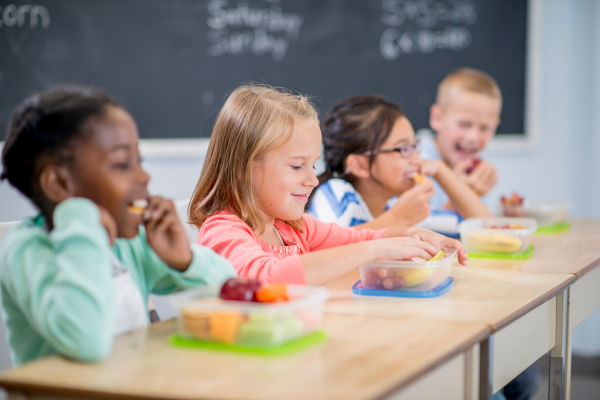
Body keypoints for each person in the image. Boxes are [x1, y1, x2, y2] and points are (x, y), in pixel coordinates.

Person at [0, 85, 236, 366]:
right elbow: (85, 340)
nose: (145, 176)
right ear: (59, 184)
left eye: (140, 161)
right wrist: (78, 219)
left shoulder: (129, 244)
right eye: (123, 164)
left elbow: (229, 290)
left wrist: (185, 261)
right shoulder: (27, 250)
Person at [190, 84, 467, 285]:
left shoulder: (293, 227)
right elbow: (268, 278)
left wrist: (412, 234)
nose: (312, 180)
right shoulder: (223, 230)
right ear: (242, 169)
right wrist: (375, 250)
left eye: (313, 165)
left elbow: (359, 238)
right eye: (297, 166)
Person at [308, 95, 491, 232]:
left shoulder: (393, 205)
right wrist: (397, 219)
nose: (416, 160)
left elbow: (483, 227)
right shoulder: (336, 192)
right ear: (359, 165)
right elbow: (331, 250)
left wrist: (441, 171)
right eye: (403, 149)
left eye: (414, 146)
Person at [419, 67, 501, 210]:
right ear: (437, 117)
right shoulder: (418, 161)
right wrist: (463, 195)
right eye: (464, 124)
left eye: (484, 128)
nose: (473, 137)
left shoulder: (472, 172)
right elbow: (422, 227)